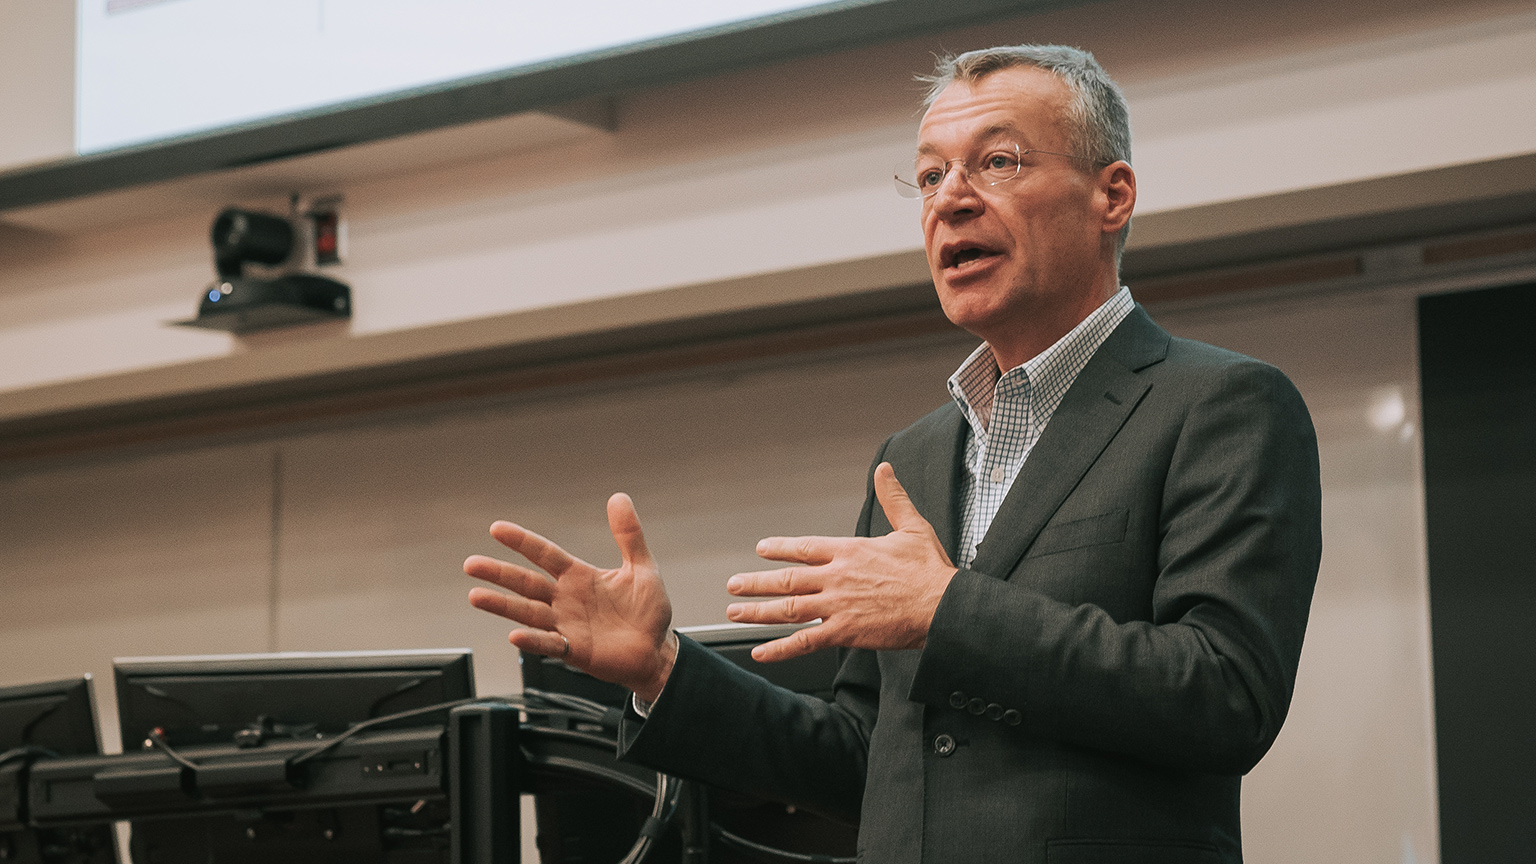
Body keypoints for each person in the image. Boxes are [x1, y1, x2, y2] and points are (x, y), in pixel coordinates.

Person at [465, 44, 1321, 864]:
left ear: (1114, 194)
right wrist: (663, 671)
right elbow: (866, 759)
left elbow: (1225, 694)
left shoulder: (1219, 405)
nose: (951, 198)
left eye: (1000, 163)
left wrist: (946, 611)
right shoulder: (912, 457)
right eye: (929, 175)